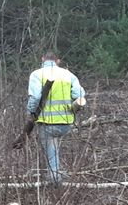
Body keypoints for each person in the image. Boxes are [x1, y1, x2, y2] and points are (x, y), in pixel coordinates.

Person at [25, 51, 86, 182]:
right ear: (57, 61)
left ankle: (54, 181)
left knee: (51, 154)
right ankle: (56, 174)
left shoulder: (36, 74)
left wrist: (30, 111)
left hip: (47, 122)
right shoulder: (68, 74)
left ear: (42, 59)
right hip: (65, 123)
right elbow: (79, 94)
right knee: (54, 150)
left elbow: (35, 97)